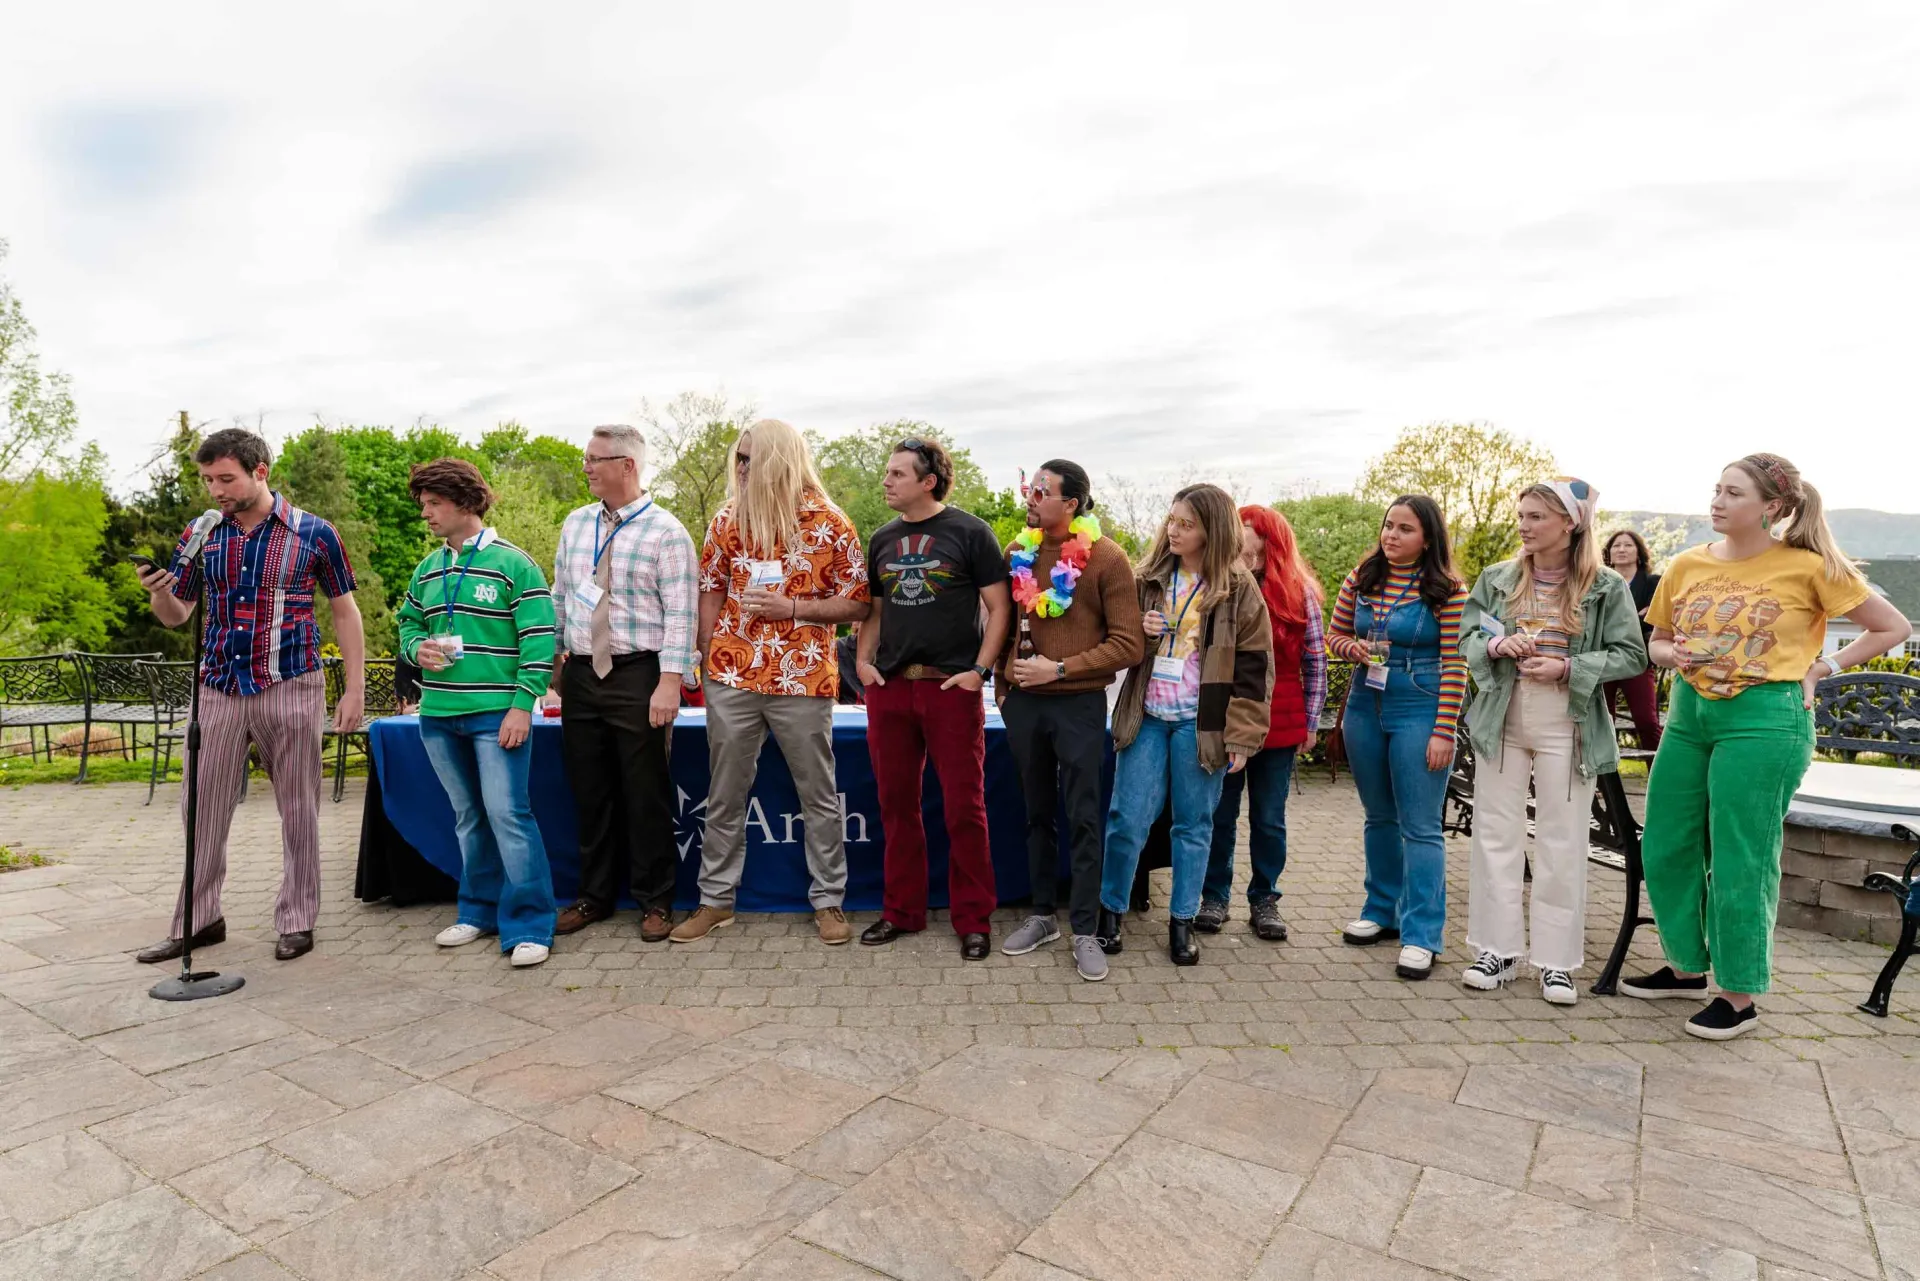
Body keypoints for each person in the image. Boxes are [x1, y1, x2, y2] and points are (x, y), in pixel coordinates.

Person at [1625, 453, 1910, 1039]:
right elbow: (1655, 641)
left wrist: (1820, 668)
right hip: (1690, 715)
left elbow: (1892, 627)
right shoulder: (1685, 565)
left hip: (1765, 719)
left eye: (1733, 493)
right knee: (1668, 844)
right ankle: (1686, 967)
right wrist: (1669, 655)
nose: (1718, 501)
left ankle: (1739, 993)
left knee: (1741, 855)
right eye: (1717, 490)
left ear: (1773, 508)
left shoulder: (1807, 567)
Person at [131, 427, 365, 964]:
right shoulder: (202, 533)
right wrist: (160, 591)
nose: (216, 489)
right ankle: (199, 919)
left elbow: (344, 611)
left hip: (292, 681)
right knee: (201, 807)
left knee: (298, 807)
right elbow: (178, 616)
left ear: (261, 471)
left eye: (226, 478)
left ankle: (298, 918)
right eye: (208, 479)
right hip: (216, 688)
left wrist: (354, 689)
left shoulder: (314, 533)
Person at [676, 419, 870, 945]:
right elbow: (711, 589)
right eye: (736, 458)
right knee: (724, 793)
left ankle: (829, 902)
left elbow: (857, 600)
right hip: (731, 677)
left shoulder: (830, 522)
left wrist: (794, 607)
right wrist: (710, 650)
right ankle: (715, 901)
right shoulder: (725, 521)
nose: (738, 469)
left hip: (802, 677)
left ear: (778, 461)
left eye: (748, 459)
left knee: (819, 794)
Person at [1458, 479, 1647, 1005]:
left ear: (1570, 524)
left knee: (1562, 840)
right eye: (1521, 515)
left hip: (1570, 722)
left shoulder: (1606, 586)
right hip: (1502, 716)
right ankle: (1497, 951)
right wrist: (1498, 643)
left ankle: (1555, 962)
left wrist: (1568, 666)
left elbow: (1633, 654)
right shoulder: (1496, 578)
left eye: (1536, 516)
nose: (1524, 525)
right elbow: (1467, 636)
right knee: (1496, 833)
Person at [1098, 484, 1272, 966]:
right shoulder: (1147, 577)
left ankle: (1183, 922)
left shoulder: (1237, 589)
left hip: (1202, 724)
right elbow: (1115, 637)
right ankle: (1110, 912)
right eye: (1172, 520)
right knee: (1126, 818)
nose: (1174, 530)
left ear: (1212, 530)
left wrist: (1242, 735)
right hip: (1147, 716)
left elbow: (1255, 668)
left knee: (1194, 825)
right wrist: (1139, 627)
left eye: (1187, 524)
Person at [396, 460, 559, 967]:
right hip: (439, 715)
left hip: (497, 715)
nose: (425, 514)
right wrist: (415, 647)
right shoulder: (427, 568)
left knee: (509, 816)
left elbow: (539, 640)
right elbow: (406, 625)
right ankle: (479, 911)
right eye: (423, 504)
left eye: (433, 504)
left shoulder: (515, 564)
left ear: (465, 503)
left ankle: (531, 924)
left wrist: (522, 705)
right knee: (469, 819)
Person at [854, 437, 1012, 959]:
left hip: (950, 689)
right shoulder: (880, 539)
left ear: (928, 481)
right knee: (895, 805)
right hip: (892, 689)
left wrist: (979, 671)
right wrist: (862, 661)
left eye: (898, 473)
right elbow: (873, 611)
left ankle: (974, 919)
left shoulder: (970, 532)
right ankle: (903, 912)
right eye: (887, 472)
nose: (887, 481)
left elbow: (999, 607)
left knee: (964, 807)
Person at [995, 461, 1145, 981]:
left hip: (1078, 703)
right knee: (1036, 812)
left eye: (1042, 490)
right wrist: (1004, 686)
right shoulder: (1017, 551)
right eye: (1029, 488)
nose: (1030, 498)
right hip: (1023, 704)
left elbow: (1129, 643)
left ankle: (1084, 929)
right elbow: (999, 619)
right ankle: (1042, 915)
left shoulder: (1107, 559)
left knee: (1082, 816)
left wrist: (1058, 668)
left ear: (1072, 504)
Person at [549, 424, 699, 942]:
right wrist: (551, 668)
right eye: (585, 458)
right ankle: (593, 897)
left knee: (645, 793)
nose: (586, 467)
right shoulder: (575, 524)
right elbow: (561, 597)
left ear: (627, 465)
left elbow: (682, 613)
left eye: (595, 459)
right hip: (583, 673)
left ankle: (656, 901)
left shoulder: (667, 532)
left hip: (640, 673)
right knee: (590, 793)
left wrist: (670, 682)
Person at [1326, 495, 1467, 981]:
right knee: (1378, 817)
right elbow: (1333, 635)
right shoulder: (1361, 577)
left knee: (1421, 825)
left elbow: (1456, 662)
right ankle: (1381, 910)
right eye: (1388, 526)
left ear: (1428, 537)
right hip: (1366, 704)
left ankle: (1422, 934)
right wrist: (1354, 648)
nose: (1391, 536)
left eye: (1405, 529)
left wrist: (1443, 730)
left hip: (1420, 704)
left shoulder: (1448, 589)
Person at [1197, 504, 1326, 942]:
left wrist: (1310, 720)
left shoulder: (1298, 591)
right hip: (1225, 716)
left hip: (1280, 720)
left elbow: (1315, 660)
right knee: (1220, 813)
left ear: (1268, 538)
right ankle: (1213, 895)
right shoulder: (1219, 583)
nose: (1239, 533)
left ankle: (1264, 898)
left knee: (1269, 818)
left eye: (1247, 528)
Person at [1601, 528, 1664, 749]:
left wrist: (1611, 624)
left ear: (1638, 552)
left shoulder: (1653, 583)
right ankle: (1603, 783)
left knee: (1647, 722)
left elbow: (1654, 619)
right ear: (1608, 553)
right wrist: (1635, 617)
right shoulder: (1600, 582)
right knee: (1601, 722)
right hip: (1603, 659)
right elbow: (1593, 622)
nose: (1621, 549)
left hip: (1637, 659)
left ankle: (1658, 779)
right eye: (1616, 545)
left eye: (1628, 545)